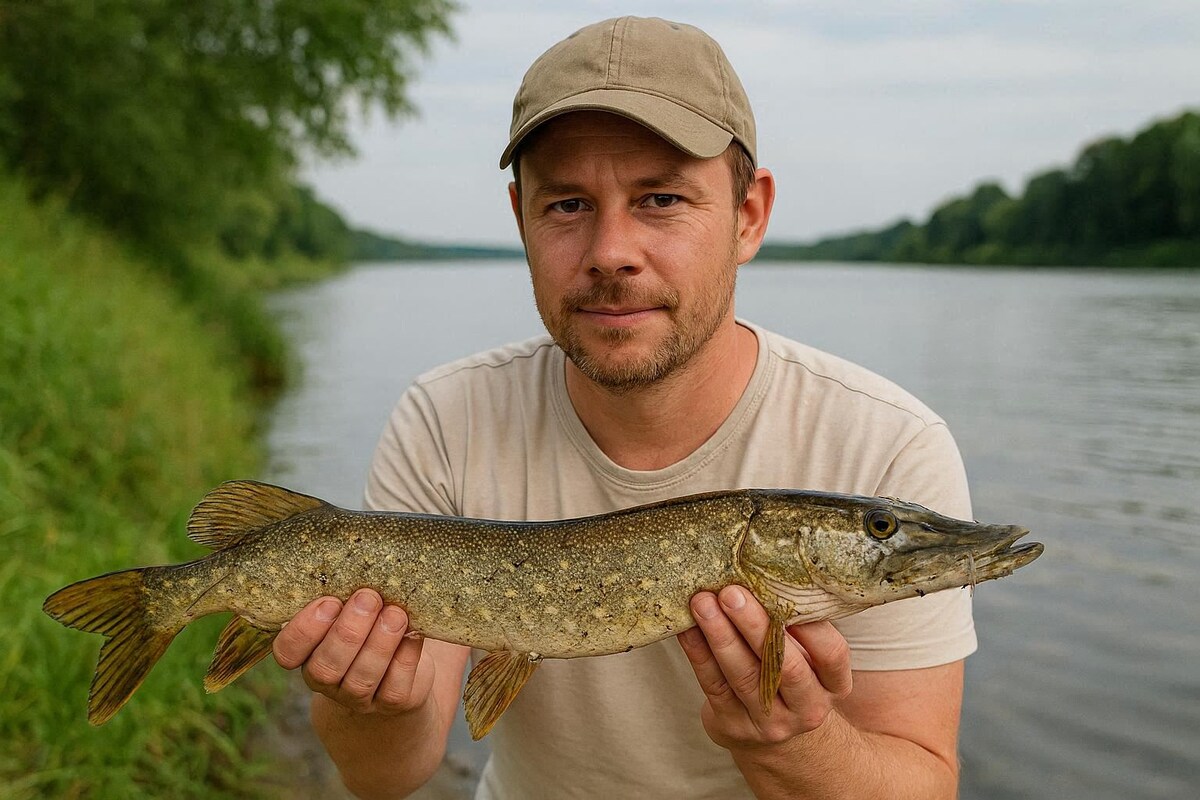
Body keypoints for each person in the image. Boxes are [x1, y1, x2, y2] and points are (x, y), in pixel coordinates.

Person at [273, 16, 976, 800]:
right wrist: (368, 702)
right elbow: (386, 776)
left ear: (749, 216)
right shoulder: (446, 416)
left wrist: (796, 743)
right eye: (568, 205)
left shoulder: (888, 443)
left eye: (662, 198)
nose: (611, 251)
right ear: (520, 221)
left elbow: (923, 782)